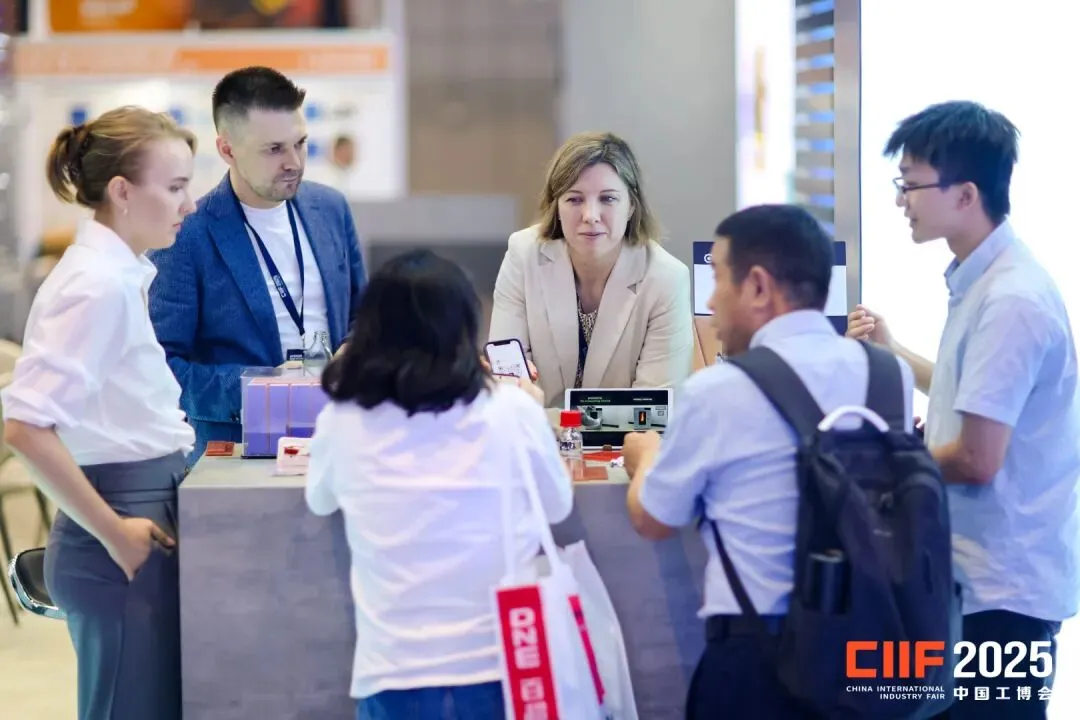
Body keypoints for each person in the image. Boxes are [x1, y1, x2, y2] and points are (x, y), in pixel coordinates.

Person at [622, 205, 915, 717]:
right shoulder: (892, 377)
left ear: (757, 287)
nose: (709, 301)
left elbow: (654, 518)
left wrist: (645, 454)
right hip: (872, 650)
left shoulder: (718, 390)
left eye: (718, 280)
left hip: (757, 660)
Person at [848, 101, 1079, 719]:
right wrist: (894, 352)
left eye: (911, 185)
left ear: (966, 194)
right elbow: (972, 396)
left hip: (1002, 592)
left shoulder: (1011, 300)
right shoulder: (985, 281)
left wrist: (880, 468)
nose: (901, 200)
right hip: (978, 579)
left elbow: (977, 457)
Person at [304, 249, 573, 720]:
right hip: (504, 669)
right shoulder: (512, 411)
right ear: (465, 330)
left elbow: (320, 500)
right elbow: (557, 506)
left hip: (393, 675)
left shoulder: (342, 419)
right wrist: (531, 407)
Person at [1, 107, 197, 720]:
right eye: (175, 187)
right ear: (122, 191)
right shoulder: (96, 287)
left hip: (138, 516)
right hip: (119, 530)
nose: (188, 205)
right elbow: (25, 428)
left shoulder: (116, 276)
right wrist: (114, 532)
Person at [148, 66, 367, 463]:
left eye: (300, 143)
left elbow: (363, 315)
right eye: (274, 149)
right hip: (240, 451)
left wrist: (352, 352)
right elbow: (159, 366)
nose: (294, 162)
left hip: (338, 441)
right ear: (227, 150)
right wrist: (263, 388)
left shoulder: (331, 209)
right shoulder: (186, 234)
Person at [488, 131, 693, 407]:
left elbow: (654, 407)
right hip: (537, 431)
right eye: (574, 199)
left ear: (631, 206)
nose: (590, 216)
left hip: (626, 436)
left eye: (608, 199)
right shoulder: (523, 254)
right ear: (556, 206)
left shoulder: (666, 278)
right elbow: (508, 380)